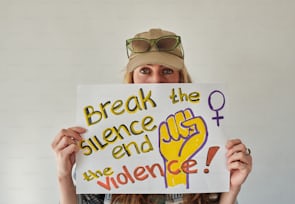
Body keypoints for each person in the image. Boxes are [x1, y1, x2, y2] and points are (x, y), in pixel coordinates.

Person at [52, 28, 252, 204]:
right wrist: (63, 176)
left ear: (181, 80)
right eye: (145, 70)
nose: (156, 81)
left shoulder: (206, 140)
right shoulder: (102, 142)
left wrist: (233, 186)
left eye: (167, 70)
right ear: (131, 79)